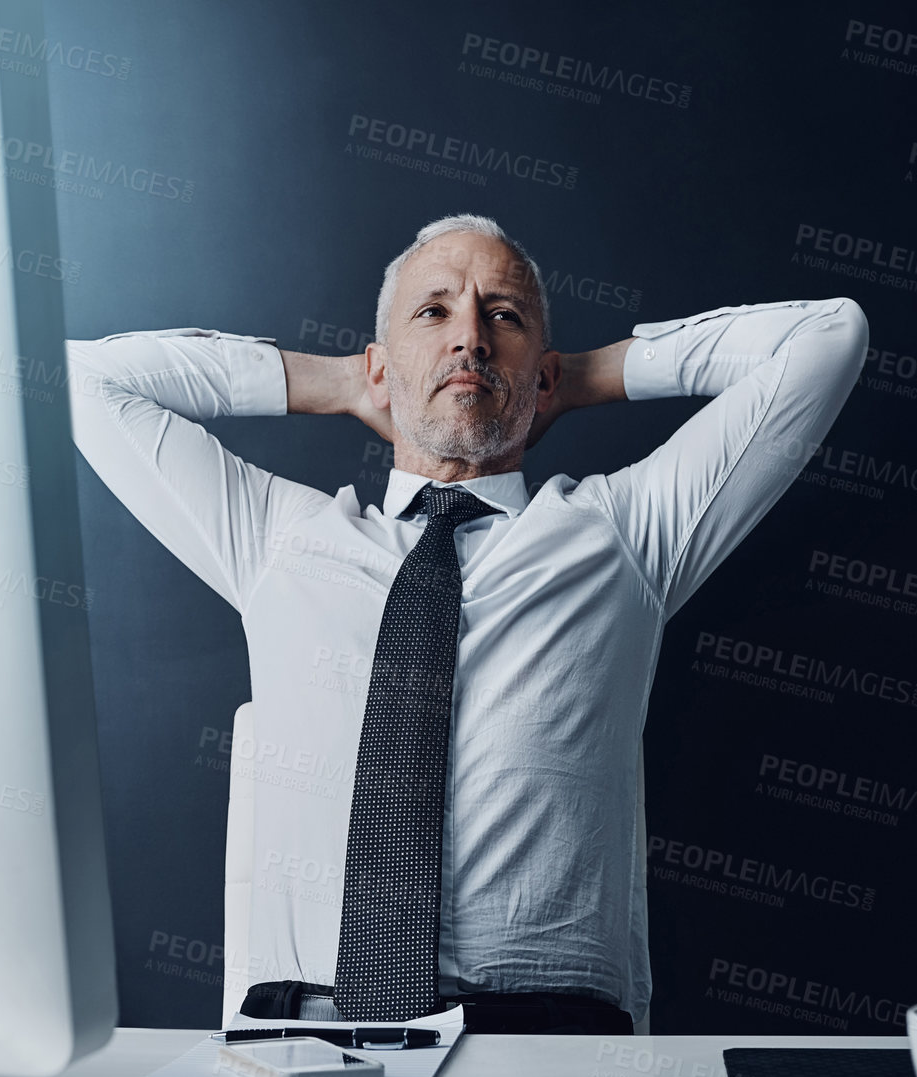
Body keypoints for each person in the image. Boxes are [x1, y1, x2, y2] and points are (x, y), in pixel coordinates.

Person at [67, 214, 868, 1034]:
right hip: (301, 1035)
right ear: (381, 366)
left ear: (542, 373)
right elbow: (84, 379)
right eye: (433, 313)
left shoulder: (622, 534)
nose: (471, 340)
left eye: (504, 317)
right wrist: (341, 382)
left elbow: (829, 336)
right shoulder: (279, 540)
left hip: (549, 1040)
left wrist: (584, 374)